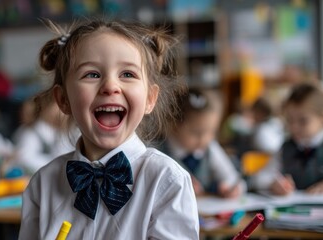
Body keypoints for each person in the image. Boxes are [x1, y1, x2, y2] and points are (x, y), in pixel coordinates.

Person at [19, 19, 199, 239]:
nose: (110, 86)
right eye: (92, 74)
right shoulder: (43, 183)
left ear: (150, 99)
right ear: (63, 99)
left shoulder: (167, 180)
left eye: (128, 74)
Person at [159, 88, 244, 198]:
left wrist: (231, 187)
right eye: (196, 133)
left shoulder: (210, 148)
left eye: (212, 131)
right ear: (174, 125)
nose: (204, 139)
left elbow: (233, 178)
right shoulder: (158, 151)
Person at [251, 82, 323, 195]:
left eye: (303, 121)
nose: (294, 127)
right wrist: (273, 183)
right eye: (289, 120)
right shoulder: (287, 147)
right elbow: (259, 178)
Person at [13, 93, 78, 175]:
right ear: (45, 108)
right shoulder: (32, 132)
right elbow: (23, 158)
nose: (63, 110)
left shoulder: (70, 130)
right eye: (58, 105)